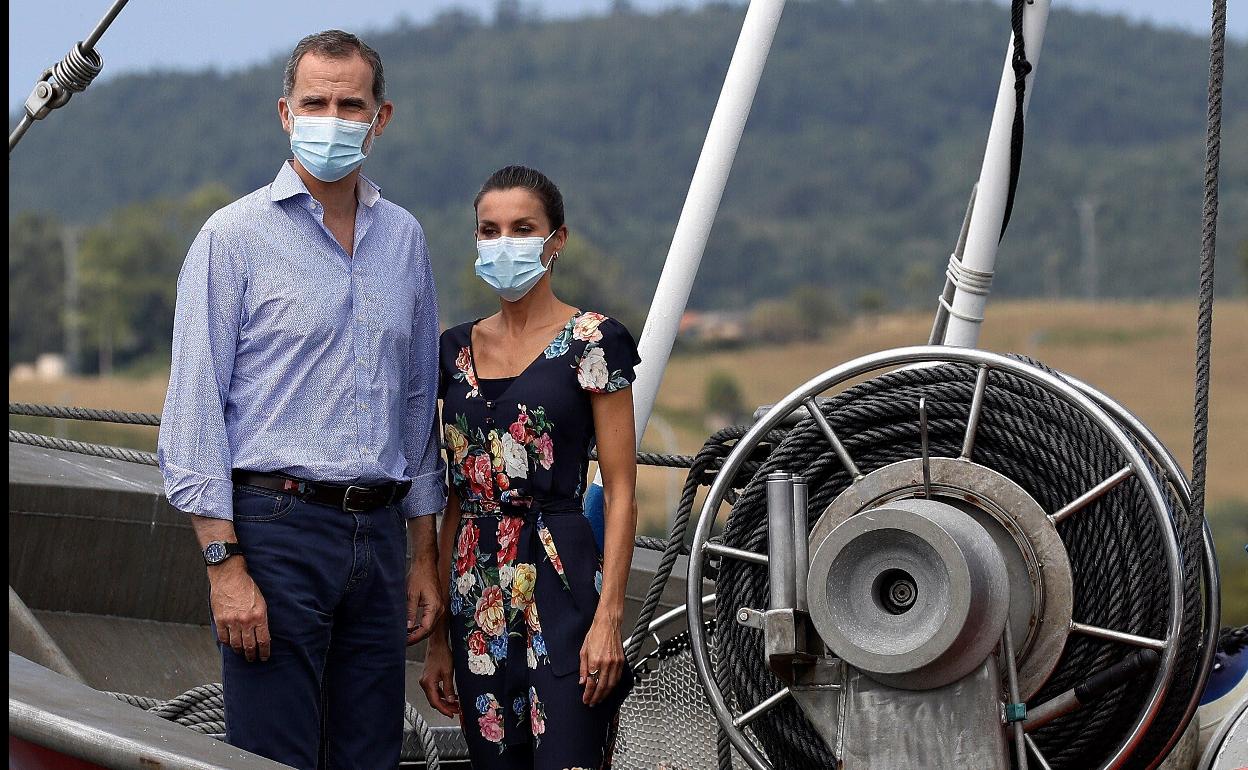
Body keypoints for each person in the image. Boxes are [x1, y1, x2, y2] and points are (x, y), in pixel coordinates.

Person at [157, 30, 445, 770]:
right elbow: (194, 408)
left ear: (381, 119)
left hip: (379, 534)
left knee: (370, 755)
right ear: (285, 112)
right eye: (315, 103)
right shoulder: (233, 237)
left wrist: (424, 556)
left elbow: (418, 406)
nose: (332, 119)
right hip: (275, 529)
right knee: (272, 755)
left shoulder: (405, 240)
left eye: (351, 105)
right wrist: (224, 566)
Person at [420, 166, 640, 769]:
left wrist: (609, 618)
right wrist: (438, 640)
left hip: (562, 577)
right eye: (489, 230)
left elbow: (622, 491)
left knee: (571, 756)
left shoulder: (594, 341)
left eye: (522, 229)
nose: (504, 243)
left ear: (556, 239)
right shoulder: (452, 351)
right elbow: (455, 497)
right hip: (475, 590)